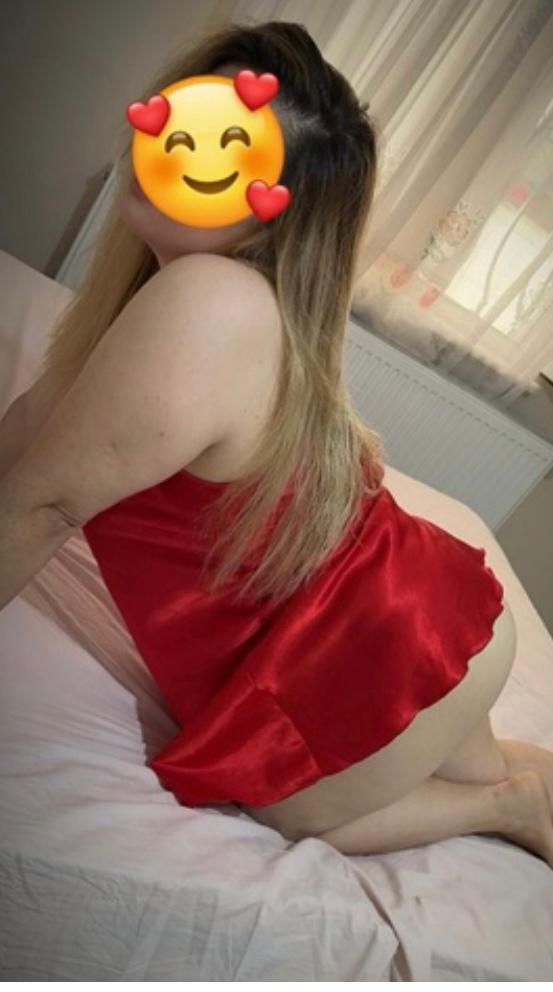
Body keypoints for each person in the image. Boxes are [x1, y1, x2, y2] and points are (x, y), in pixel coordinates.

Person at [1, 20, 552, 867]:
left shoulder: (209, 300)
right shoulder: (184, 297)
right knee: (455, 759)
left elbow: (42, 504)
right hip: (392, 614)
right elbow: (33, 436)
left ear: (266, 212)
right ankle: (517, 779)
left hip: (379, 633)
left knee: (289, 813)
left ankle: (508, 804)